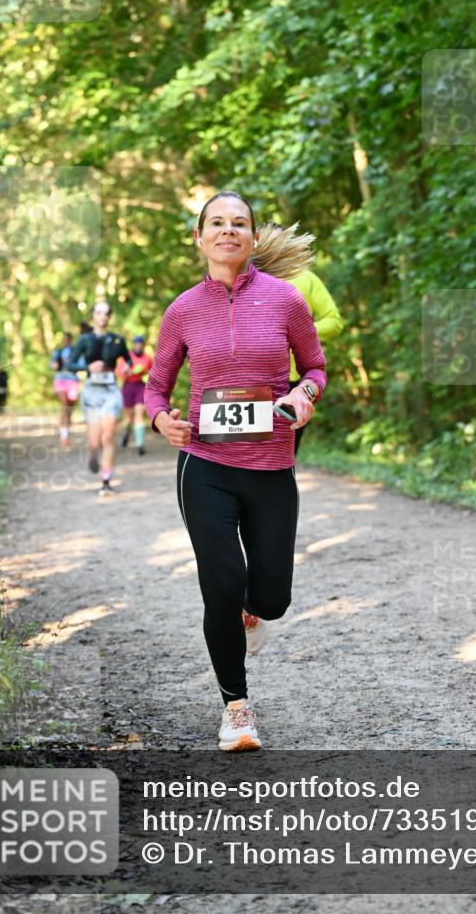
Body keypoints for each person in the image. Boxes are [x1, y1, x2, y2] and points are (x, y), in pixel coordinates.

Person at [145, 190, 326, 752]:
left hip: (272, 465)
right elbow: (157, 386)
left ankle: (255, 612)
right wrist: (160, 421)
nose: (228, 231)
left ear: (252, 237)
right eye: (216, 223)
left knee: (270, 598)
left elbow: (314, 366)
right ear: (198, 238)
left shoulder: (286, 300)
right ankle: (237, 709)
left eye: (239, 223)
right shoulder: (182, 309)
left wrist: (304, 394)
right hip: (205, 466)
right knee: (220, 583)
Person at [258, 223, 343, 453]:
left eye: (282, 242)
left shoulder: (307, 278)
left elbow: (334, 321)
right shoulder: (245, 278)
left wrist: (299, 331)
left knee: (285, 451)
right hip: (252, 379)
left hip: (293, 382)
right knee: (249, 452)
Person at [68, 303, 131, 496]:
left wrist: (127, 366)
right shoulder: (84, 340)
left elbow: (127, 359)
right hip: (91, 392)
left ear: (109, 316)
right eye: (99, 312)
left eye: (106, 313)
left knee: (108, 436)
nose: (103, 316)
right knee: (95, 439)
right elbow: (69, 364)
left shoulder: (117, 340)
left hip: (111, 391)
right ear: (93, 316)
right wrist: (87, 369)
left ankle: (106, 480)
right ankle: (93, 453)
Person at [118, 335, 153, 455]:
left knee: (139, 413)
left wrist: (145, 372)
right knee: (129, 417)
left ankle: (140, 445)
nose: (138, 345)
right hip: (128, 386)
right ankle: (127, 433)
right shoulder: (126, 357)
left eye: (140, 343)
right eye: (136, 343)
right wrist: (127, 371)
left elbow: (152, 372)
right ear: (133, 344)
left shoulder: (147, 358)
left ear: (143, 345)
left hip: (141, 386)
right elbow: (119, 372)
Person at [51, 334, 80, 446]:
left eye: (67, 340)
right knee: (64, 406)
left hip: (72, 381)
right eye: (64, 340)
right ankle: (64, 436)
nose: (65, 342)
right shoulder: (57, 352)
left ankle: (65, 431)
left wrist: (72, 365)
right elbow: (53, 365)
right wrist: (56, 365)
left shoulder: (75, 352)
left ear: (70, 341)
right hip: (60, 381)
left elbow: (81, 364)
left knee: (69, 410)